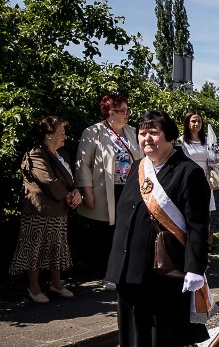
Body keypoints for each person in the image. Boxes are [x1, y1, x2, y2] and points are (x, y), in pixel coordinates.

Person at [106, 110, 213, 347]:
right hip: (132, 265)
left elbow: (197, 225)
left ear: (169, 137)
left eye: (153, 133)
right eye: (142, 133)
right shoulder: (139, 167)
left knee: (159, 329)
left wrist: (196, 266)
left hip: (167, 267)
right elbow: (127, 215)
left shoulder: (188, 171)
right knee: (146, 327)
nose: (146, 138)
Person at [9, 116, 82, 303]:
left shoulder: (62, 154)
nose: (65, 136)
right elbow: (47, 179)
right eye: (61, 133)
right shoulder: (36, 153)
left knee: (56, 248)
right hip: (38, 211)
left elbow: (70, 180)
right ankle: (34, 288)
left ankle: (56, 284)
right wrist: (68, 196)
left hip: (59, 210)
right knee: (34, 248)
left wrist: (75, 192)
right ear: (49, 135)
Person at [75, 93, 142, 289]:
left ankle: (125, 271)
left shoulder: (131, 132)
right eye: (123, 110)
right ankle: (108, 274)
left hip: (130, 189)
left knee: (128, 230)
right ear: (111, 112)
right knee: (107, 233)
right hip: (105, 191)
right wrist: (87, 191)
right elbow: (83, 165)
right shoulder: (93, 132)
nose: (127, 114)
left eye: (127, 110)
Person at [178, 111, 219, 217]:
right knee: (190, 211)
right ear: (187, 123)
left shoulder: (207, 141)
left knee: (206, 213)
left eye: (199, 121)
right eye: (193, 121)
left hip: (205, 179)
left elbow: (216, 161)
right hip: (188, 180)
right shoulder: (181, 141)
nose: (197, 124)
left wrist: (217, 155)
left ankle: (206, 233)